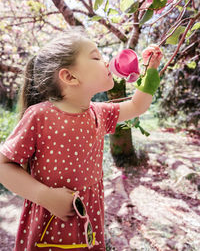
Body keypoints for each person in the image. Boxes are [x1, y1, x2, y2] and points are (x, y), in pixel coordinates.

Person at [0, 28, 162, 251]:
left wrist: (151, 70)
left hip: (89, 217)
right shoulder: (40, 115)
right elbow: (3, 166)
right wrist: (45, 196)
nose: (106, 62)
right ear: (69, 76)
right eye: (96, 57)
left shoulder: (101, 112)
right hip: (49, 220)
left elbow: (137, 105)